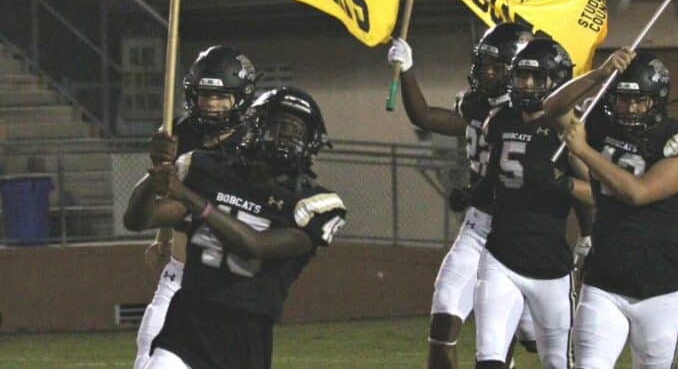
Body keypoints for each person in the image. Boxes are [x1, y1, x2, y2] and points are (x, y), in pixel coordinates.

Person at [123, 87, 346, 369]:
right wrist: (154, 173)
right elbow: (137, 220)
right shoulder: (208, 170)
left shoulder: (311, 204)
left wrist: (192, 199)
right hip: (189, 324)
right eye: (279, 125)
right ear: (255, 127)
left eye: (296, 130)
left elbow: (254, 245)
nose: (287, 136)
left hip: (246, 338)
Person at [387, 23, 542, 369]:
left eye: (496, 65)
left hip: (521, 235)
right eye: (483, 63)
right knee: (443, 319)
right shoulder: (475, 104)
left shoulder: (532, 114)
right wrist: (408, 71)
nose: (486, 72)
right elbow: (426, 116)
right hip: (477, 227)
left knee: (530, 342)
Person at [469, 38, 630, 369]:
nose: (526, 85)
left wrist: (563, 184)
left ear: (556, 81)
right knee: (489, 359)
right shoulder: (499, 120)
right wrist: (474, 192)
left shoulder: (566, 129)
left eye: (537, 78)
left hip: (550, 267)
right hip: (501, 256)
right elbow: (493, 180)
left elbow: (601, 191)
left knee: (559, 363)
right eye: (522, 76)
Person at [545, 50, 678, 369]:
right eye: (622, 99)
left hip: (661, 286)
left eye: (639, 101)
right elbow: (553, 107)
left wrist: (583, 151)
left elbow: (638, 192)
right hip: (604, 279)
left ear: (657, 100)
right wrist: (597, 75)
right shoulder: (603, 124)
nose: (630, 108)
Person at [134, 46, 258, 369]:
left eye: (221, 97)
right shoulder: (181, 133)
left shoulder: (252, 147)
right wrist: (162, 237)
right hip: (179, 279)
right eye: (205, 95)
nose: (212, 105)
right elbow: (167, 191)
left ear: (239, 99)